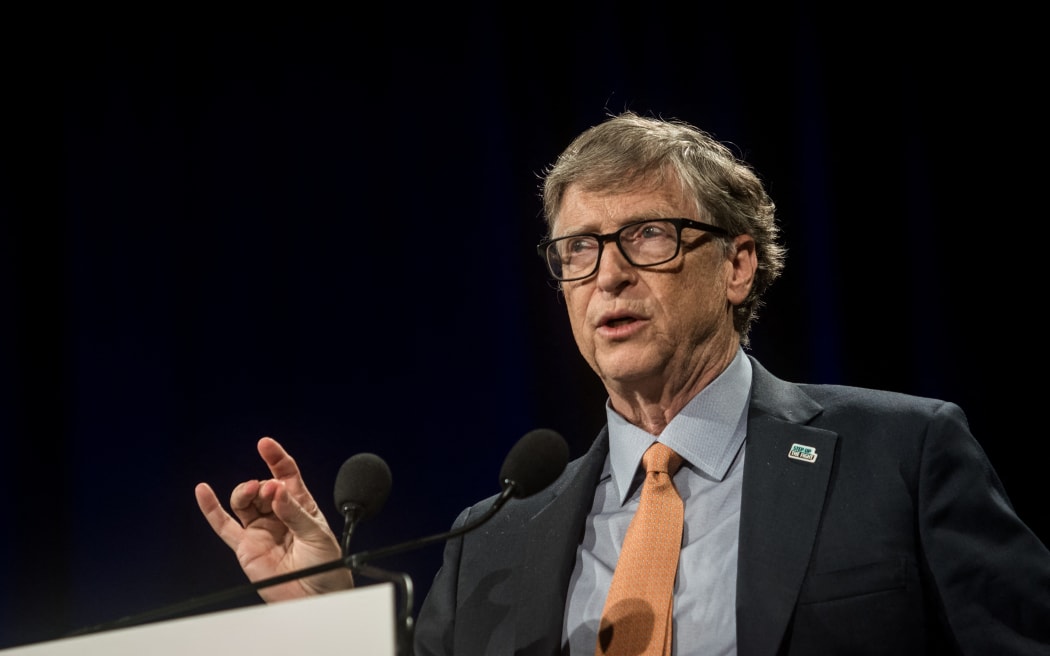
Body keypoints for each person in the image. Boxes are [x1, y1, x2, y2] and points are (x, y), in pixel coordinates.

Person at [195, 111, 1050, 655]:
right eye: (577, 250)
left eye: (646, 236)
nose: (606, 275)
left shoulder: (901, 455)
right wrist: (332, 609)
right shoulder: (494, 539)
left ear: (738, 265)